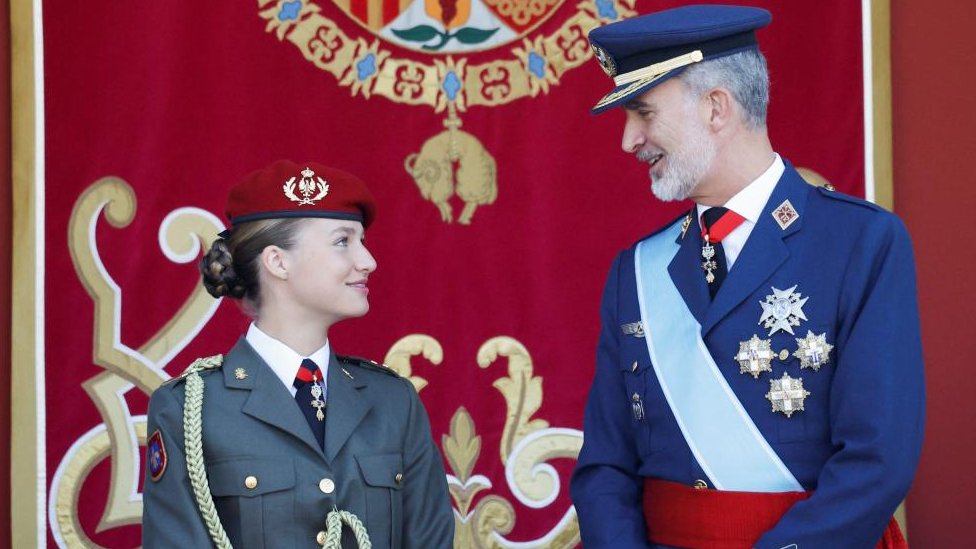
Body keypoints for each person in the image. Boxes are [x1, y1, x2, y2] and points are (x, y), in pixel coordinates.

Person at [570, 5, 924, 549]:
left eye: (643, 112)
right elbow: (605, 468)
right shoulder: (635, 271)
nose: (629, 139)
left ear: (716, 107)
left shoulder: (862, 244)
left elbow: (878, 460)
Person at [142, 160, 455, 548]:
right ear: (278, 261)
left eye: (362, 241)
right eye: (343, 241)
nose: (367, 261)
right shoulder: (190, 409)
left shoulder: (393, 401)